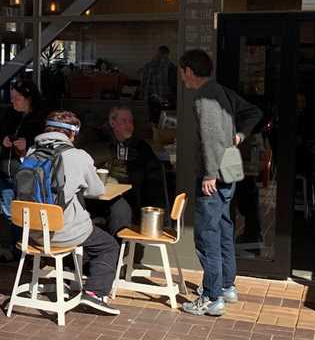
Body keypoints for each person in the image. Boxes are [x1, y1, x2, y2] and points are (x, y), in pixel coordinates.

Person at [179, 49, 262, 316]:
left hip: (215, 174)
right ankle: (227, 285)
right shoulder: (222, 91)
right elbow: (254, 112)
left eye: (182, 72)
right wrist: (239, 135)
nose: (182, 77)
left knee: (207, 234)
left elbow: (212, 137)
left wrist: (209, 174)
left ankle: (211, 297)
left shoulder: (204, 97)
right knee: (224, 226)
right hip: (230, 170)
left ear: (190, 71)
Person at [25, 111, 121, 315]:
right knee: (108, 245)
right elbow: (96, 191)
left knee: (83, 232)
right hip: (61, 232)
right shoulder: (78, 156)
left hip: (31, 232)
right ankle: (95, 293)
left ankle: (66, 277)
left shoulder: (32, 151)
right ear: (72, 134)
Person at [89, 106, 166, 240]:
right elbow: (88, 157)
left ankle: (118, 254)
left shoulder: (140, 147)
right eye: (124, 121)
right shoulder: (98, 141)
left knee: (121, 209)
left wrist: (156, 210)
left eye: (131, 122)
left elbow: (155, 176)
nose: (129, 125)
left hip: (130, 198)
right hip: (95, 198)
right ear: (113, 123)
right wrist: (111, 154)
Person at [0, 78, 46, 261]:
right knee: (9, 213)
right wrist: (3, 140)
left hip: (27, 176)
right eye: (12, 97)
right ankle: (15, 249)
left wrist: (28, 144)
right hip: (7, 171)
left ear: (28, 98)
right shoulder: (9, 115)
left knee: (28, 212)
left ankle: (30, 250)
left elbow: (45, 148)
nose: (13, 101)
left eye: (17, 98)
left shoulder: (40, 120)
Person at [140, 45, 177, 124]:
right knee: (166, 122)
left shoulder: (148, 65)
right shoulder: (171, 67)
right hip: (166, 100)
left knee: (154, 121)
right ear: (167, 54)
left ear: (157, 52)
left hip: (152, 99)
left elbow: (144, 83)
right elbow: (173, 85)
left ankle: (155, 134)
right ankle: (162, 135)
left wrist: (144, 97)